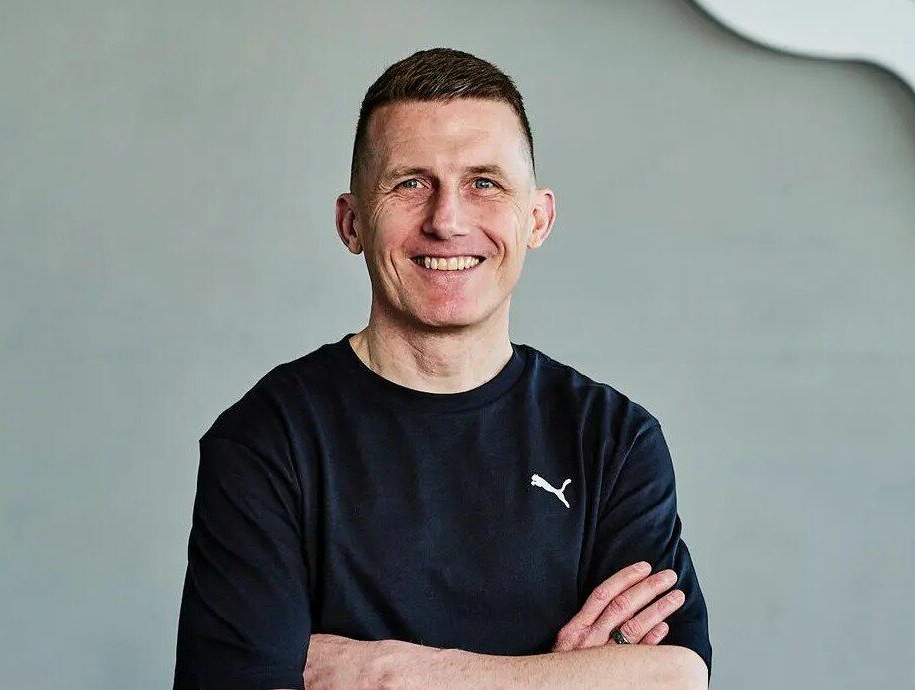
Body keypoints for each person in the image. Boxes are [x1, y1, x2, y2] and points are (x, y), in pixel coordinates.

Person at [172, 47, 711, 690]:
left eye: (484, 183)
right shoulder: (267, 440)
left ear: (536, 218)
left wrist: (388, 672)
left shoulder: (612, 440)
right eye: (410, 184)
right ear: (351, 223)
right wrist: (564, 677)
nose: (447, 221)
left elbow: (679, 677)